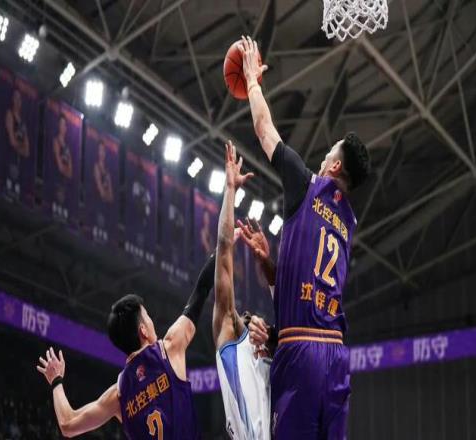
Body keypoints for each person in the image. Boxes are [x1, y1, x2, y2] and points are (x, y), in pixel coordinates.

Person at [239, 36, 371, 439]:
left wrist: (251, 81)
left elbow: (264, 129)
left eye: (330, 151)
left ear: (334, 167)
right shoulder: (347, 223)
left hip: (302, 353)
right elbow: (307, 284)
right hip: (335, 355)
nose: (324, 155)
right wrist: (269, 265)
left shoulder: (307, 185)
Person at [36, 253, 217, 439]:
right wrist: (221, 248)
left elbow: (67, 424)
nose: (152, 322)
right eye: (148, 317)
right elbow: (201, 291)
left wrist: (56, 381)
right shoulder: (169, 349)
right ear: (143, 330)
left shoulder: (119, 394)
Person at [212, 141, 276, 440]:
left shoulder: (271, 360)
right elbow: (224, 248)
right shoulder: (230, 342)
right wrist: (229, 191)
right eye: (247, 318)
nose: (251, 318)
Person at [53, 113, 73, 180]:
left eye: (64, 124)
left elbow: (71, 173)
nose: (63, 127)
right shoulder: (56, 141)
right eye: (61, 124)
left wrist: (66, 170)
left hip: (65, 182)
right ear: (58, 126)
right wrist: (66, 169)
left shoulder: (67, 147)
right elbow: (60, 167)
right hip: (56, 180)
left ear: (66, 127)